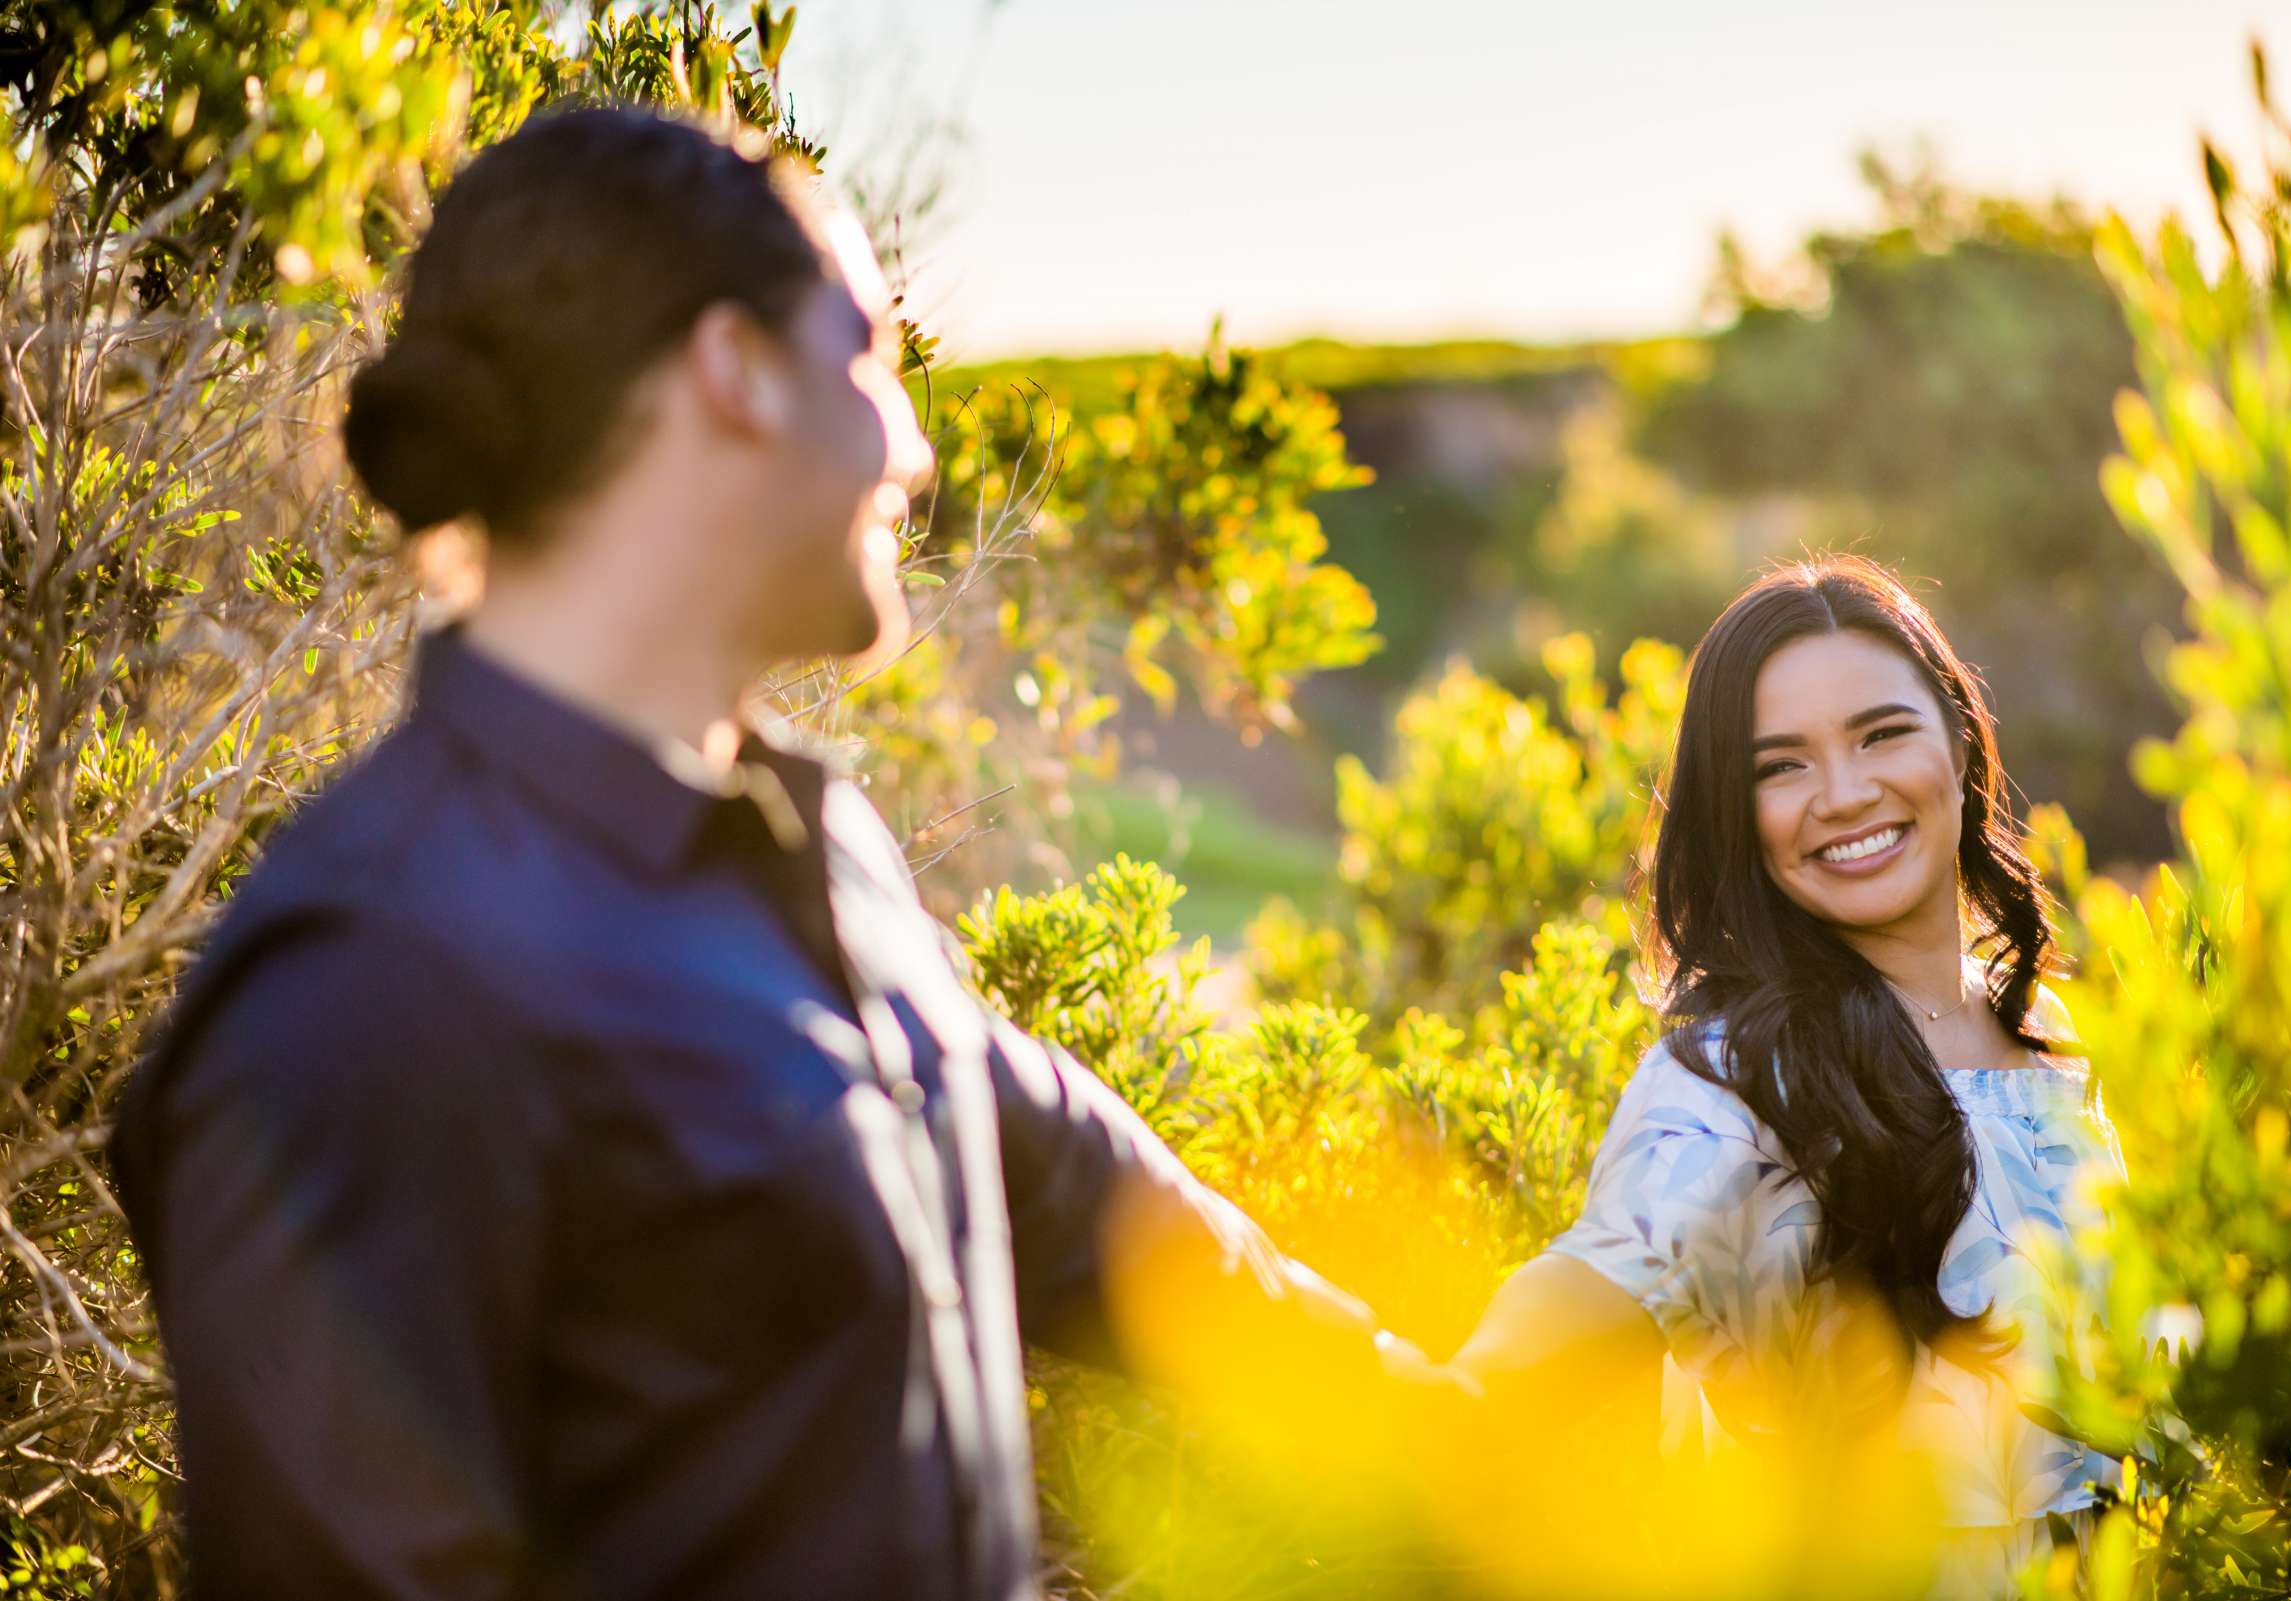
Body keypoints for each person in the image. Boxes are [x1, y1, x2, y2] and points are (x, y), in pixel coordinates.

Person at [109, 106, 1422, 1601]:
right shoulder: (373, 988)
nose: (914, 451)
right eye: (865, 355)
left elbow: (1087, 1206)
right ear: (733, 370)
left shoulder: (815, 841)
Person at [1448, 557, 2128, 1597]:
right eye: (1781, 765)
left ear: (1959, 740)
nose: (1845, 793)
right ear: (1735, 809)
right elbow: (1553, 1324)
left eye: (1881, 732)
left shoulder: (2043, 1031)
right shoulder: (1731, 1084)